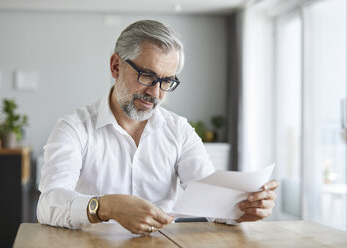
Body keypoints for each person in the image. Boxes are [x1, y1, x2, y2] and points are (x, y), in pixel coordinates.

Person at [37, 20, 279, 235]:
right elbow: (48, 204)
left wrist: (242, 209)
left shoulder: (179, 131)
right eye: (147, 76)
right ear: (115, 66)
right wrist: (106, 207)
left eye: (166, 81)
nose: (155, 92)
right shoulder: (74, 128)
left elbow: (210, 198)